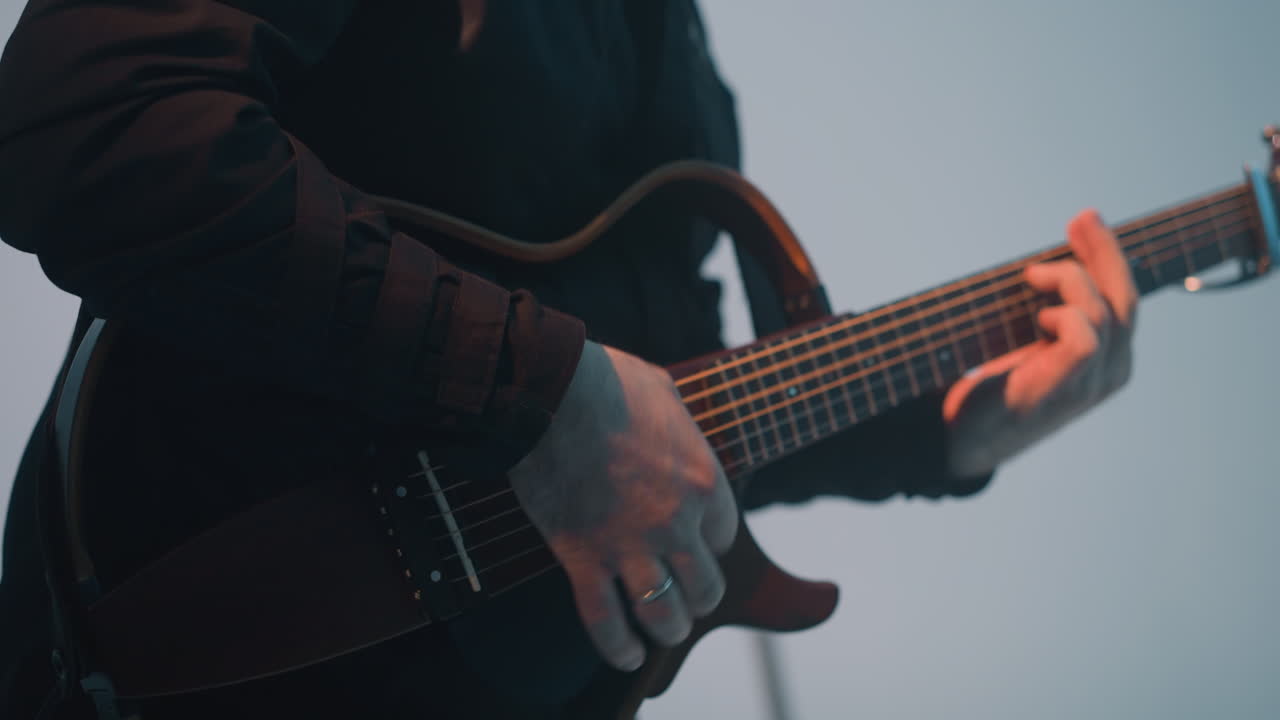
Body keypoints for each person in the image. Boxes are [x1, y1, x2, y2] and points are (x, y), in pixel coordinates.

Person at [0, 1, 1136, 718]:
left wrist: (947, 432)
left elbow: (661, 424)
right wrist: (542, 392)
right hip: (197, 629)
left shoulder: (683, 65)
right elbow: (90, 123)